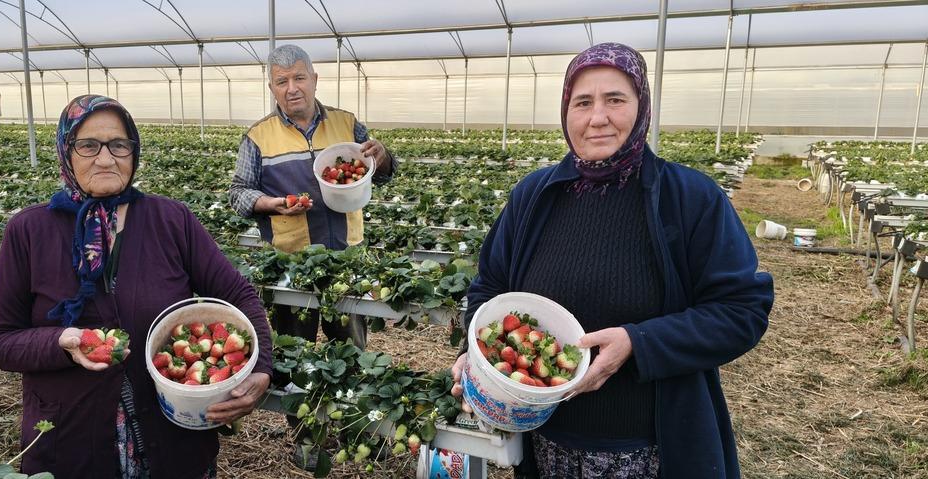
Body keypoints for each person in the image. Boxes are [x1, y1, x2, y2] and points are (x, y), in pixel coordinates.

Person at [450, 42, 773, 478]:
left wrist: (637, 342)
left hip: (649, 449)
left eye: (615, 100)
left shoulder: (690, 198)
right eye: (583, 102)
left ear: (642, 108)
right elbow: (490, 287)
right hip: (548, 442)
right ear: (566, 112)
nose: (597, 117)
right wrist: (476, 354)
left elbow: (741, 311)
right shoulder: (535, 196)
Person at [0, 95, 273, 479]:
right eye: (88, 145)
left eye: (119, 145)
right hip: (72, 440)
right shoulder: (29, 230)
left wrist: (261, 368)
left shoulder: (170, 219)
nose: (106, 159)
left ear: (133, 151)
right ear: (66, 150)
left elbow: (237, 294)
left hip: (174, 436)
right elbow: (0, 340)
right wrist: (60, 343)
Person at [229, 43, 396, 350]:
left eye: (299, 78)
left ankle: (349, 378)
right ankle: (295, 378)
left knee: (350, 346)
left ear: (314, 79)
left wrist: (382, 156)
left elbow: (381, 172)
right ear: (272, 88)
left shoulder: (346, 123)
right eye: (282, 81)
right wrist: (271, 204)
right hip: (290, 261)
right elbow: (238, 193)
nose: (292, 88)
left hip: (347, 255)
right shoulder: (257, 136)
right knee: (292, 347)